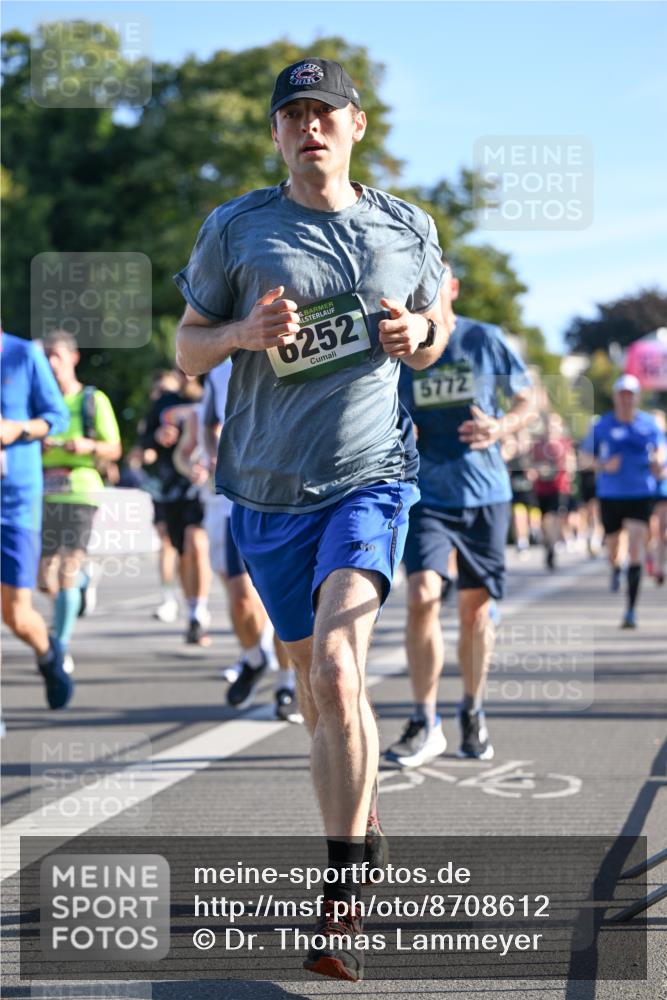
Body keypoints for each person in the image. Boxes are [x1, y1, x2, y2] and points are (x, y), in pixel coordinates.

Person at [174, 56, 447, 982]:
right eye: (293, 115)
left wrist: (420, 337)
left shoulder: (407, 227)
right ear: (278, 133)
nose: (309, 128)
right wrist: (242, 336)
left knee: (335, 667)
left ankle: (341, 897)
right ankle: (360, 810)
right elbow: (185, 349)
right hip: (262, 492)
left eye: (324, 112)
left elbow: (436, 324)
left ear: (355, 125)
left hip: (370, 479)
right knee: (315, 688)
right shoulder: (237, 227)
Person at [385, 262, 533, 769]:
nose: (426, 291)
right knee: (423, 595)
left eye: (436, 281)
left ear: (452, 287)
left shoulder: (483, 339)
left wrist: (502, 427)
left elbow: (530, 398)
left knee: (474, 611)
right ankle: (425, 719)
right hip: (425, 493)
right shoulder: (403, 347)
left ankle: (472, 708)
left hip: (485, 492)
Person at [200, 362, 303, 722]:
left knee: (283, 601)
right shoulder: (218, 368)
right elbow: (209, 425)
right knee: (241, 598)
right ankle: (256, 657)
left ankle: (286, 683)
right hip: (237, 501)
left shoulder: (291, 345)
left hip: (289, 496)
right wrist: (213, 454)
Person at [38, 331, 121, 673]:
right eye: (46, 358)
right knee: (44, 577)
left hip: (81, 490)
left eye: (56, 356)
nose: (51, 364)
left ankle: (60, 646)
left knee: (67, 570)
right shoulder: (38, 403)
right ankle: (82, 587)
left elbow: (113, 448)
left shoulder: (92, 399)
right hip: (43, 491)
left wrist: (86, 447)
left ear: (73, 357)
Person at [1, 329, 72, 715]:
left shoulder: (23, 354)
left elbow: (57, 417)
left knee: (15, 614)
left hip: (14, 504)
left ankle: (48, 652)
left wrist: (18, 429)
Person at [580, 374, 666, 628]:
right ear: (616, 397)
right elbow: (584, 457)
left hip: (640, 493)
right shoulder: (602, 425)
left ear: (637, 397)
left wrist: (659, 462)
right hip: (610, 495)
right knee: (614, 545)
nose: (627, 400)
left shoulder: (649, 424)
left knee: (637, 547)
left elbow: (661, 448)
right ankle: (616, 568)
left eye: (631, 395)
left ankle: (630, 610)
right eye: (622, 395)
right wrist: (604, 464)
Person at [139, 370, 212, 645]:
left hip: (206, 485)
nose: (187, 375)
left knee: (197, 543)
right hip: (172, 487)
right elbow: (144, 440)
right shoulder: (165, 403)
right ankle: (192, 610)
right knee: (183, 551)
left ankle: (200, 612)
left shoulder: (213, 393)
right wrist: (158, 435)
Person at [528, 412, 576, 570]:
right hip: (541, 488)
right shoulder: (537, 445)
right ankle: (550, 543)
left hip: (559, 486)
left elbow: (571, 463)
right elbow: (530, 464)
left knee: (553, 517)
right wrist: (537, 470)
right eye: (548, 424)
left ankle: (551, 548)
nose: (551, 428)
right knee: (545, 521)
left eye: (554, 424)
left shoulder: (564, 444)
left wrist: (567, 472)